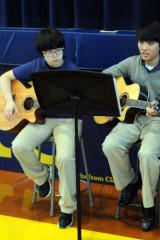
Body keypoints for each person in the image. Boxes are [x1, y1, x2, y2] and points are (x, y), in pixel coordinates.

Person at [102, 21, 160, 231]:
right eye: (141, 42)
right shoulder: (131, 62)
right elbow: (103, 77)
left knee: (146, 155)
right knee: (110, 144)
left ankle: (148, 206)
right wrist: (118, 96)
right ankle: (129, 184)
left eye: (149, 43)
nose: (144, 48)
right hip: (133, 118)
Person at [0, 28, 80, 229]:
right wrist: (9, 101)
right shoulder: (37, 65)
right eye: (47, 52)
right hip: (42, 119)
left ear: (63, 49)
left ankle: (68, 209)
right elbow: (4, 78)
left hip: (67, 120)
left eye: (57, 51)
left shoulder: (72, 71)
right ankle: (43, 178)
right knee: (18, 145)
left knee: (65, 158)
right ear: (42, 54)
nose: (53, 56)